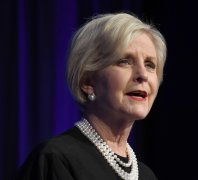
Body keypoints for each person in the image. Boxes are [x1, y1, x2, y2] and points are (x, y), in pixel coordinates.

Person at [16, 12, 167, 180]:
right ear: (88, 82)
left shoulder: (146, 175)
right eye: (125, 61)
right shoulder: (56, 159)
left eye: (150, 64)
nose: (143, 75)